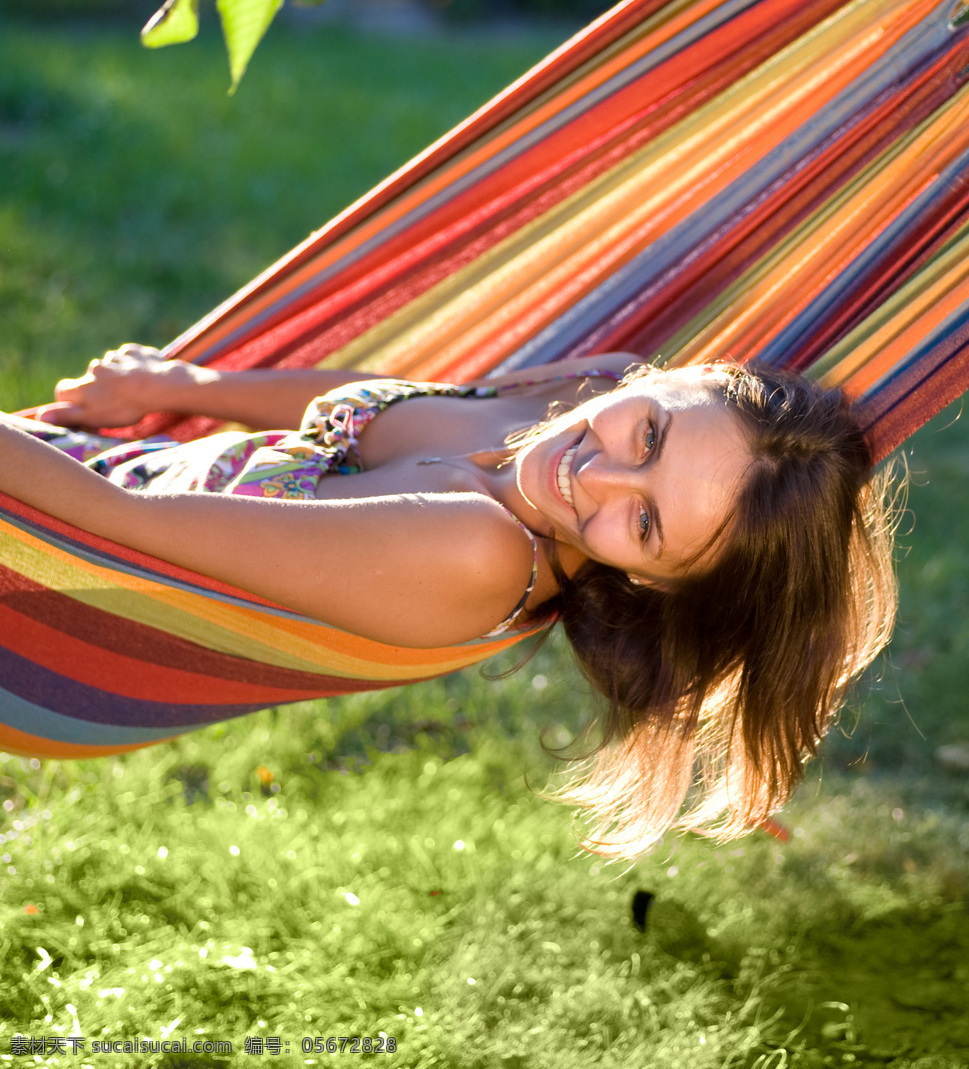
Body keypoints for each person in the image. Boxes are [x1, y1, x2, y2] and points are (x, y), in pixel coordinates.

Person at [0, 343, 897, 855]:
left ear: (656, 579)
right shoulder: (581, 391)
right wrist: (181, 388)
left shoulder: (472, 553)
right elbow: (346, 406)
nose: (598, 476)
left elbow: (120, 527)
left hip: (47, 585)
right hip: (75, 486)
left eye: (647, 524)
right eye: (650, 433)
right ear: (675, 374)